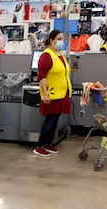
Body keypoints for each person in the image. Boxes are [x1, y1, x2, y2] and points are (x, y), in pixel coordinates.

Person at [33, 29, 72, 158]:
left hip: (61, 93)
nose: (62, 41)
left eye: (62, 39)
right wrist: (45, 94)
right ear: (51, 40)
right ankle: (39, 146)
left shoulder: (59, 54)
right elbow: (42, 77)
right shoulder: (46, 56)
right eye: (59, 39)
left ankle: (48, 143)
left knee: (55, 120)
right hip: (51, 94)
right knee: (49, 121)